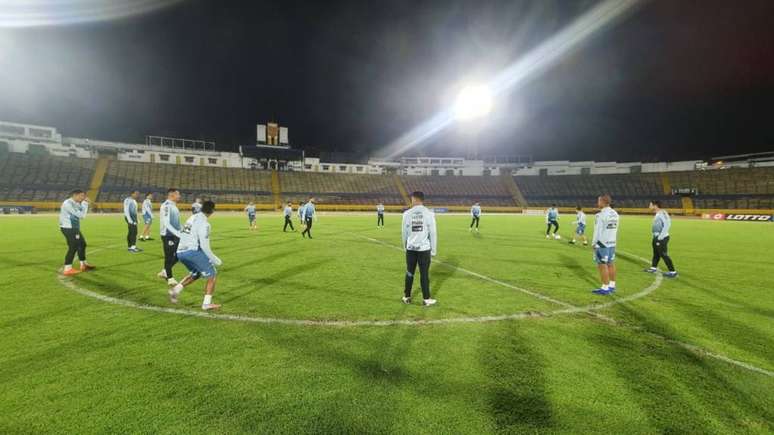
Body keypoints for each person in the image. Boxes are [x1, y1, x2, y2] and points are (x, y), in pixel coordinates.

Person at [169, 200, 223, 310]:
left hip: (180, 252)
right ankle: (206, 304)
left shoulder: (192, 217)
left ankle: (175, 290)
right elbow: (204, 245)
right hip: (191, 251)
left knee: (196, 273)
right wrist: (214, 259)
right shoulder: (205, 224)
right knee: (212, 274)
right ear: (212, 211)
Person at [401, 191, 437, 306]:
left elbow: (404, 233)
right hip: (424, 250)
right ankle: (426, 299)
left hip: (411, 248)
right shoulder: (429, 213)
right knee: (424, 274)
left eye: (412, 199)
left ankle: (406, 297)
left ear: (415, 199)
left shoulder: (407, 214)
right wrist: (434, 250)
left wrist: (405, 246)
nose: (411, 201)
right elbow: (433, 233)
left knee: (409, 272)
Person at [59, 189, 95, 276]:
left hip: (74, 228)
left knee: (82, 244)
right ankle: (67, 269)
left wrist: (86, 205)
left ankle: (83, 264)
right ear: (75, 195)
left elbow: (82, 210)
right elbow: (82, 215)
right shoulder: (68, 203)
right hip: (68, 228)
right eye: (82, 196)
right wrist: (85, 204)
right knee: (73, 246)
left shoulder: (75, 203)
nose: (83, 198)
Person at [591, 195, 619, 295]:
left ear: (603, 202)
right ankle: (612, 285)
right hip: (612, 242)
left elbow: (597, 231)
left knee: (602, 265)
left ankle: (605, 287)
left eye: (598, 201)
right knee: (611, 263)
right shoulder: (615, 213)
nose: (598, 203)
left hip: (602, 243)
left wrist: (594, 243)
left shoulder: (600, 215)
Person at [645, 200, 678, 278]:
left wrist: (660, 237)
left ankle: (673, 271)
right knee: (656, 253)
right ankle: (653, 268)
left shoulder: (662, 213)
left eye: (650, 205)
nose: (649, 206)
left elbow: (667, 224)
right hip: (656, 237)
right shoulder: (658, 213)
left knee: (664, 255)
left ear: (655, 205)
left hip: (661, 238)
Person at [158, 188, 182, 286]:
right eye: (178, 194)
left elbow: (177, 223)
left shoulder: (174, 206)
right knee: (169, 256)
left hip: (175, 234)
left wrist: (183, 231)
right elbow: (166, 223)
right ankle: (170, 278)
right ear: (172, 195)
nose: (179, 196)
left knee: (179, 254)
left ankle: (165, 271)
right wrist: (177, 233)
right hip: (168, 235)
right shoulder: (167, 206)